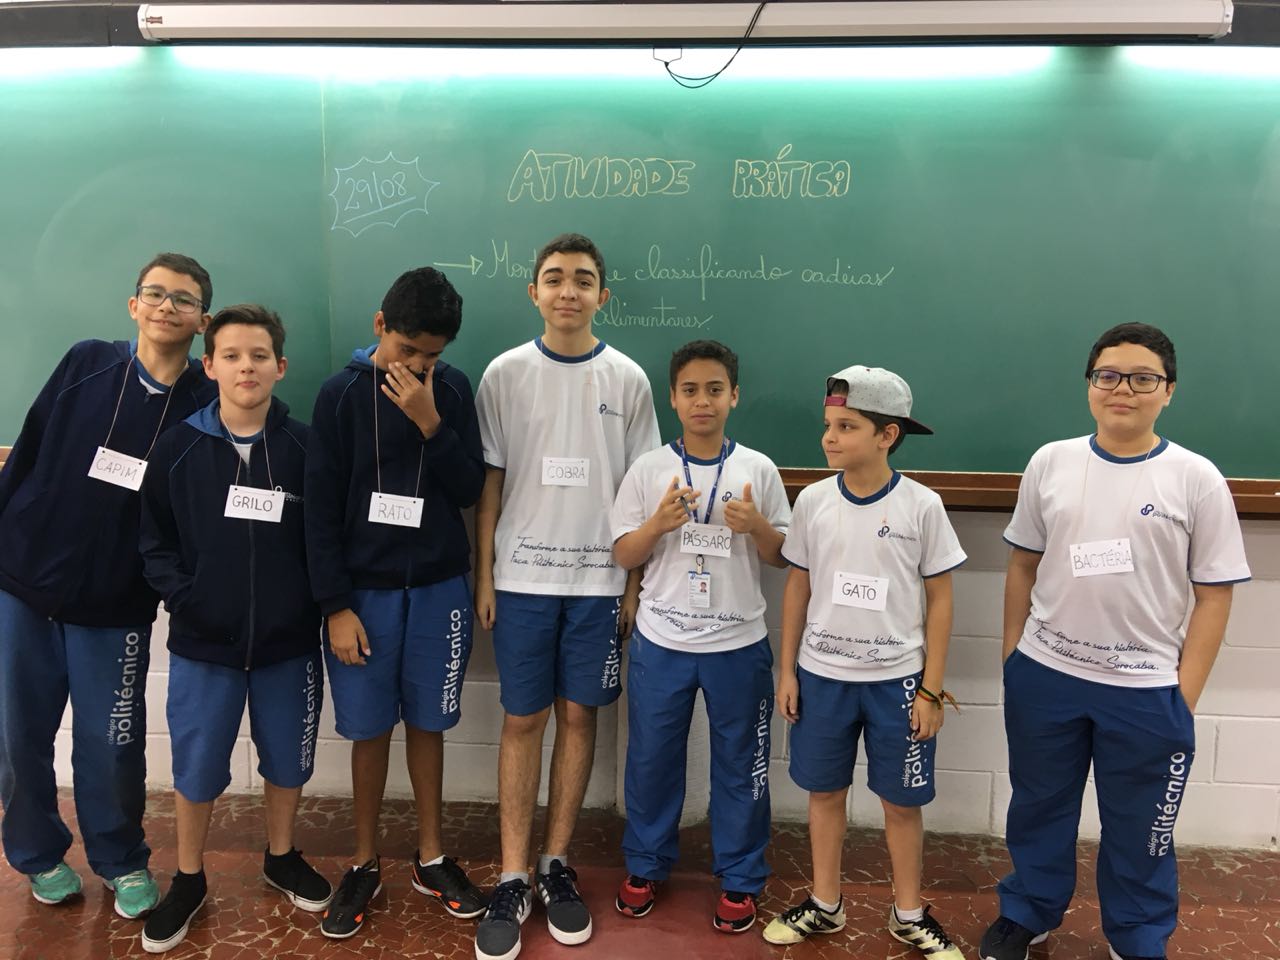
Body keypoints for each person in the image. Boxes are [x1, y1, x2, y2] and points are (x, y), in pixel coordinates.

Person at [979, 323, 1250, 960]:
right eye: (1108, 375)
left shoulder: (1196, 478)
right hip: (1046, 675)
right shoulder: (1051, 462)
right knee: (1039, 805)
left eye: (1143, 378)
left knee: (1141, 826)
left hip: (1146, 689)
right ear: (1090, 385)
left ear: (1169, 390)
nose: (1122, 389)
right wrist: (1014, 656)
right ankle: (1028, 912)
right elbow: (1023, 564)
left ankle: (1137, 936)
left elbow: (1215, 595)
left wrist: (1183, 696)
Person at [0, 253, 217, 919]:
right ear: (133, 305)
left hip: (116, 605)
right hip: (23, 585)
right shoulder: (86, 362)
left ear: (202, 321)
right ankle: (37, 854)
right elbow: (28, 449)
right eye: (154, 293)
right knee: (17, 737)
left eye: (183, 299)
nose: (166, 306)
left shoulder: (204, 404)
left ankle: (121, 860)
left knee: (112, 743)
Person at [473, 233, 659, 960]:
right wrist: (485, 574)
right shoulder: (504, 373)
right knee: (524, 719)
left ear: (602, 295)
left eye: (582, 279)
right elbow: (491, 480)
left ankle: (555, 865)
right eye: (554, 278)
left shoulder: (629, 379)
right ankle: (512, 875)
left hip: (598, 583)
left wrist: (632, 587)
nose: (568, 291)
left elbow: (641, 494)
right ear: (534, 292)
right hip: (522, 579)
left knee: (579, 716)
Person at [138, 304, 331, 952]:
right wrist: (186, 598)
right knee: (196, 766)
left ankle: (281, 856)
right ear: (208, 365)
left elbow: (323, 540)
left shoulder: (305, 448)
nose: (246, 367)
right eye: (231, 355)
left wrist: (311, 606)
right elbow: (154, 540)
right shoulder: (177, 448)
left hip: (288, 646)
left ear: (281, 366)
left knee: (288, 760)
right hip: (204, 646)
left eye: (258, 356)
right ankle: (189, 878)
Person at [305, 267, 487, 939]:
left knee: (430, 723)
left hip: (438, 589)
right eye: (407, 350)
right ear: (380, 326)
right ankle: (363, 861)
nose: (416, 366)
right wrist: (335, 606)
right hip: (364, 598)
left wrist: (431, 422)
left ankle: (431, 857)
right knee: (368, 729)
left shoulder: (454, 391)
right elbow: (320, 511)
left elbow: (469, 489)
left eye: (430, 357)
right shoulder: (339, 396)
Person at [764, 365, 965, 960]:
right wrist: (787, 670)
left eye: (847, 426)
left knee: (901, 802)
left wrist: (931, 689)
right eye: (828, 424)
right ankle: (826, 904)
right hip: (822, 678)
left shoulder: (921, 505)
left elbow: (941, 599)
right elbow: (798, 586)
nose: (829, 437)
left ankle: (908, 914)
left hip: (897, 682)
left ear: (887, 435)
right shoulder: (813, 501)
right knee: (824, 793)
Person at [610, 339, 790, 934]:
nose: (702, 401)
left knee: (742, 764)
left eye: (715, 389)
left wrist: (756, 525)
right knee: (652, 759)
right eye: (690, 390)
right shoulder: (648, 469)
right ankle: (645, 865)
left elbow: (782, 555)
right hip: (662, 639)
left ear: (734, 396)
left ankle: (741, 876)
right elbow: (623, 553)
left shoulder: (758, 469)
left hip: (737, 642)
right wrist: (658, 525)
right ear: (672, 398)